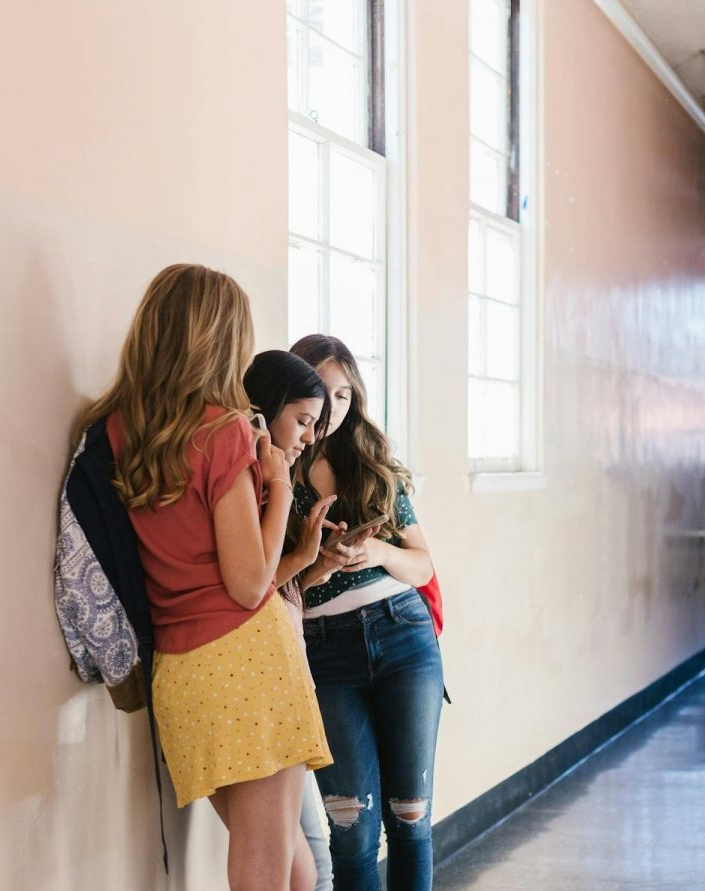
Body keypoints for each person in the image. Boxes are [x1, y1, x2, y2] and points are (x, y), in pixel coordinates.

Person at [84, 264, 331, 891]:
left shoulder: (114, 429)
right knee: (266, 855)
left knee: (289, 854)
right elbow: (250, 584)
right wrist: (277, 486)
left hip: (180, 670)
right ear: (220, 338)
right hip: (247, 659)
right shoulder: (223, 431)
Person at [289, 334, 442, 891]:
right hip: (323, 650)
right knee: (350, 829)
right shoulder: (272, 471)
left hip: (403, 636)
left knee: (411, 814)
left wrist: (376, 551)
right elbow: (265, 586)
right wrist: (319, 567)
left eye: (345, 395)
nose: (332, 408)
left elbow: (423, 567)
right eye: (320, 393)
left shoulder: (375, 466)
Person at [245, 350, 372, 891]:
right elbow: (254, 586)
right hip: (265, 665)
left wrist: (314, 560)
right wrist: (300, 545)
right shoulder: (261, 477)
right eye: (303, 420)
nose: (312, 433)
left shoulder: (275, 473)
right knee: (301, 849)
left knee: (306, 846)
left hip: (283, 656)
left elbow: (277, 582)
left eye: (340, 400)